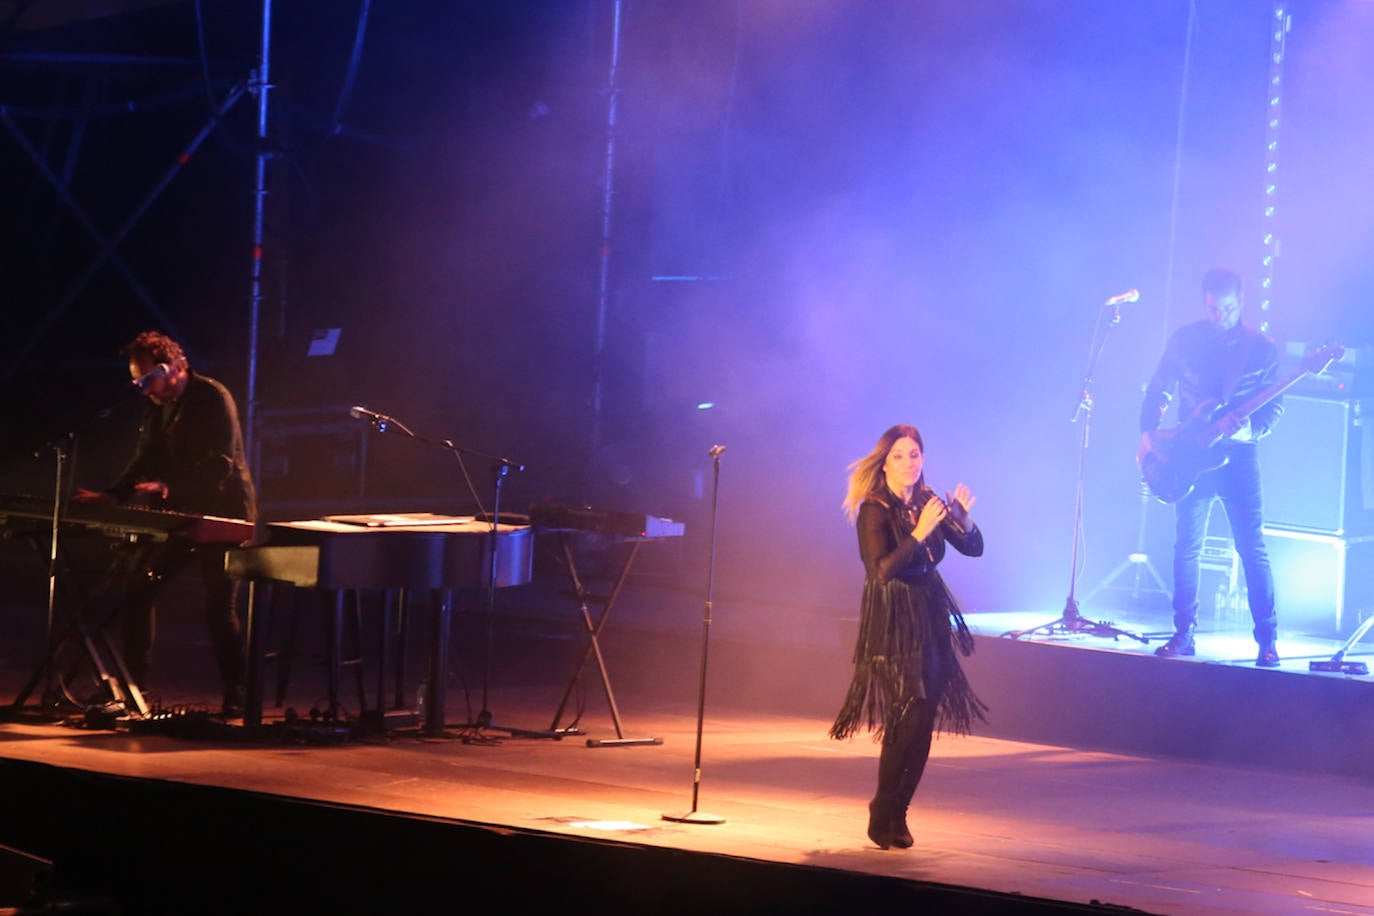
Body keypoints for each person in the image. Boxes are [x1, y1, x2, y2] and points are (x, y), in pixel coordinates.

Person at [75, 330, 258, 716]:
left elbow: (221, 464)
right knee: (139, 590)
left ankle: (237, 693)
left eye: (146, 379)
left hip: (223, 514)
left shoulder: (212, 398)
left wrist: (168, 485)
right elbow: (144, 457)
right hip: (179, 514)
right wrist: (115, 495)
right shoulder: (157, 405)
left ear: (173, 368)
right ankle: (133, 688)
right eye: (137, 381)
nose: (142, 389)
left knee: (218, 607)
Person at [830, 424, 986, 851]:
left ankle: (899, 811)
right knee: (908, 711)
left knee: (925, 716)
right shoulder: (874, 509)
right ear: (885, 462)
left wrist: (963, 519)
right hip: (895, 614)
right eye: (899, 456)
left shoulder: (929, 501)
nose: (908, 463)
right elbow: (880, 570)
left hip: (929, 612)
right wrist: (918, 535)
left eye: (914, 454)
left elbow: (973, 548)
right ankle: (883, 809)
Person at [1139, 267, 1283, 667]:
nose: (1221, 316)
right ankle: (1184, 633)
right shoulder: (1185, 341)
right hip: (1191, 455)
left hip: (1238, 458)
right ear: (1205, 303)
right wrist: (1148, 433)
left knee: (1251, 547)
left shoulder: (1262, 349)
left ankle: (1267, 640)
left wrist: (1242, 431)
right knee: (1187, 546)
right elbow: (1158, 387)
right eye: (1213, 309)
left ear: (1242, 303)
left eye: (1229, 309)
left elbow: (1273, 411)